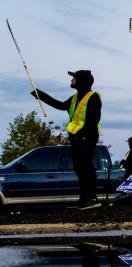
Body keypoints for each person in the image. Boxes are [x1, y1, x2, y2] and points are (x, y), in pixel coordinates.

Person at [31, 70, 102, 210]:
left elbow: (94, 120)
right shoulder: (75, 98)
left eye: (74, 78)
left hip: (87, 137)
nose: (71, 80)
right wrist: (39, 95)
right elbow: (60, 105)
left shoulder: (93, 97)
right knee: (79, 168)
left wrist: (83, 135)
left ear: (80, 81)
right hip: (76, 138)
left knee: (86, 167)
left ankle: (92, 198)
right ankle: (84, 198)